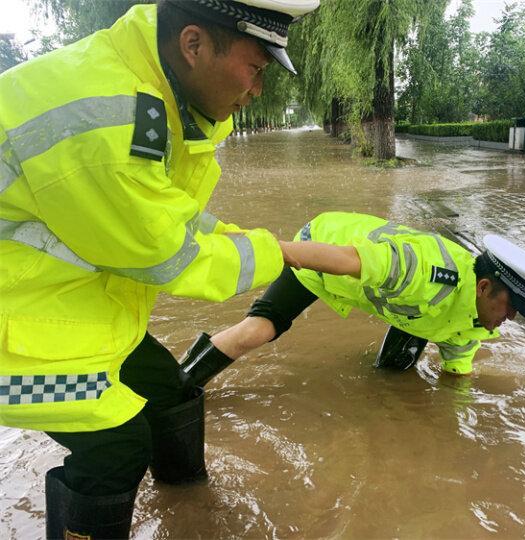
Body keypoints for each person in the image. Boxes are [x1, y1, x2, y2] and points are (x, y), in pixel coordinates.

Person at [0, 1, 325, 538]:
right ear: (193, 45)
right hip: (17, 322)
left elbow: (174, 218)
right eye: (257, 68)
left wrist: (255, 241)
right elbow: (170, 258)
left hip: (65, 302)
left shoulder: (160, 98)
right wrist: (285, 253)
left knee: (169, 392)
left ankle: (190, 508)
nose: (258, 90)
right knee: (117, 448)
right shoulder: (106, 119)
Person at [180, 211, 525, 387]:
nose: (511, 318)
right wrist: (264, 248)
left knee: (398, 376)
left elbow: (457, 372)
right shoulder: (424, 272)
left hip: (405, 305)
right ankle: (179, 386)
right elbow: (350, 260)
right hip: (326, 249)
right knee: (259, 329)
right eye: (511, 307)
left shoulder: (475, 322)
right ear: (485, 288)